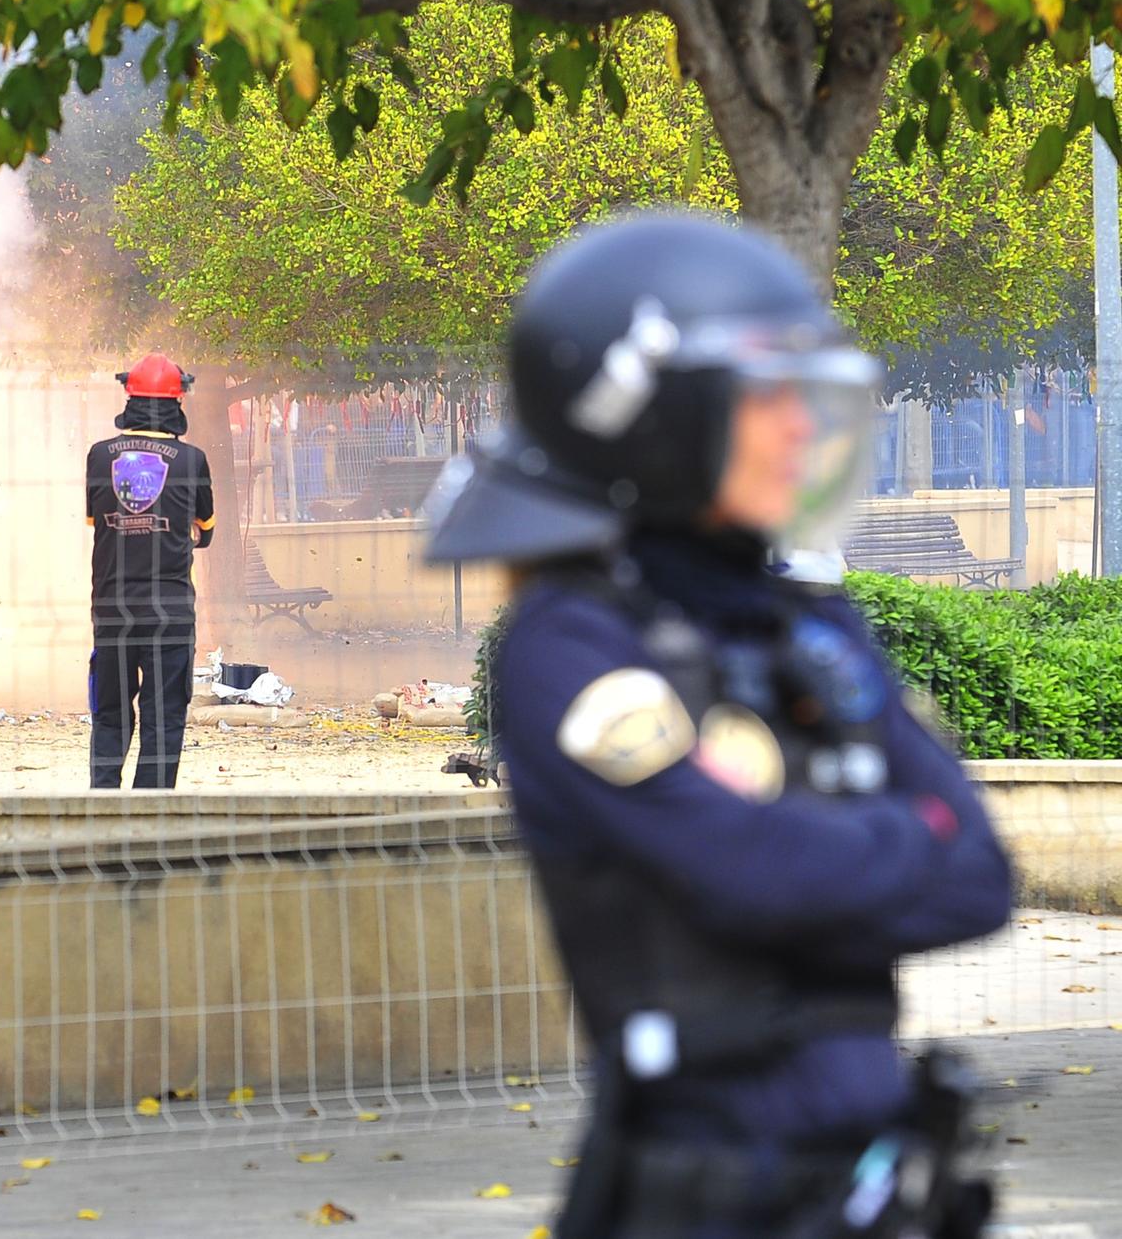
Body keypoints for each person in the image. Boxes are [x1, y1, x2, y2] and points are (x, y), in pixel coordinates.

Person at [423, 213, 1011, 1239]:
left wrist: (819, 853)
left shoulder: (807, 625)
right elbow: (751, 871)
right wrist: (902, 838)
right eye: (765, 395)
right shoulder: (569, 642)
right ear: (650, 417)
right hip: (705, 1192)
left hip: (876, 1177)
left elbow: (979, 877)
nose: (799, 427)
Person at [86, 354, 214, 789]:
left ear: (129, 397)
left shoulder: (99, 456)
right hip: (170, 613)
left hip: (112, 609)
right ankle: (152, 818)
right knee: (164, 715)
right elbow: (205, 529)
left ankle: (102, 807)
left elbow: (94, 522)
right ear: (178, 401)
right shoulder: (191, 460)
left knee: (110, 710)